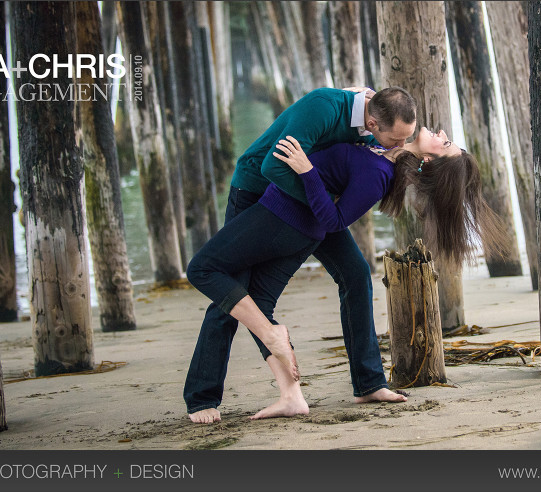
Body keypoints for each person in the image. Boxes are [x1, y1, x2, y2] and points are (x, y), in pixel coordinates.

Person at [186, 127, 505, 420]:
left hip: (306, 206)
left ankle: (365, 383)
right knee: (339, 277)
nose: (442, 131)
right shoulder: (391, 137)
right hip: (293, 198)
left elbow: (335, 217)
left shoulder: (382, 167)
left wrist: (310, 171)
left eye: (446, 142)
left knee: (237, 287)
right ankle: (214, 396)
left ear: (427, 159)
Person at [183, 87, 418, 424]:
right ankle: (202, 397)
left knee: (354, 272)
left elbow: (364, 152)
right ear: (371, 121)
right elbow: (272, 168)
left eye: (403, 141)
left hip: (311, 202)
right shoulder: (323, 109)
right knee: (232, 288)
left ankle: (368, 383)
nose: (395, 148)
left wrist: (325, 202)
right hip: (256, 189)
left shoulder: (377, 115)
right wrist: (323, 203)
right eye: (394, 140)